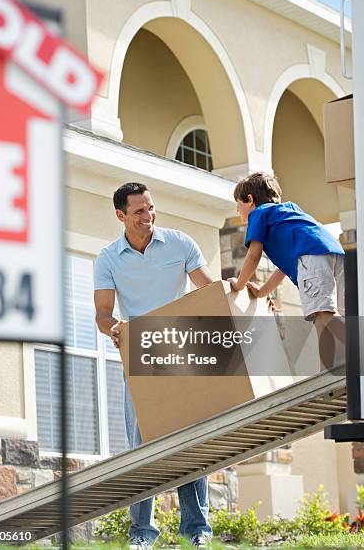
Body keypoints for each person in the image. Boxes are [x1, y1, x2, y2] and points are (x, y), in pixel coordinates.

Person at [94, 182, 213, 550]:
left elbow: (209, 291)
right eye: (139, 212)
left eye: (150, 208)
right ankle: (142, 533)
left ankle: (197, 529)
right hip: (141, 356)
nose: (148, 216)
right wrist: (113, 327)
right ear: (121, 216)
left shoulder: (180, 243)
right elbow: (101, 312)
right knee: (140, 444)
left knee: (189, 441)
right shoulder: (108, 257)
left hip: (180, 350)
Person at [227, 172, 345, 369]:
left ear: (250, 199)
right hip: (335, 252)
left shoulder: (258, 214)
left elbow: (253, 255)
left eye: (238, 207)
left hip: (311, 256)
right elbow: (283, 268)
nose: (239, 214)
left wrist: (239, 285)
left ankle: (330, 368)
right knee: (339, 312)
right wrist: (262, 291)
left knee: (322, 313)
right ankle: (336, 364)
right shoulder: (288, 210)